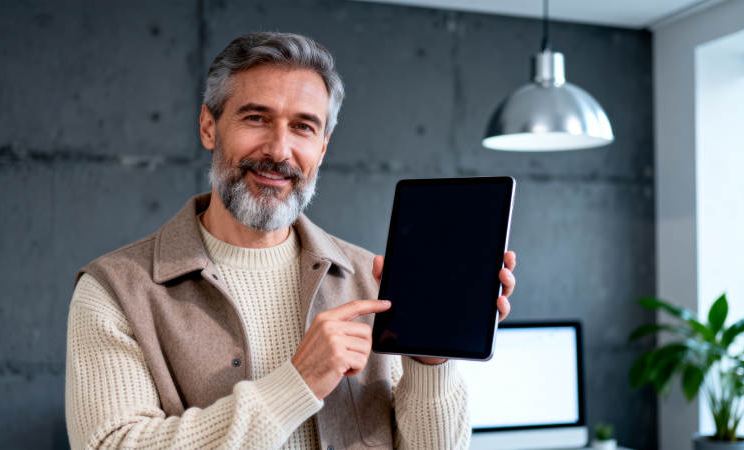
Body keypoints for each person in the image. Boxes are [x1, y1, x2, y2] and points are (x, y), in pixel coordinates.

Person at [65, 31, 516, 450]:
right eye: (256, 118)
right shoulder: (114, 291)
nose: (279, 150)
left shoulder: (372, 281)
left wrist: (431, 360)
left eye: (303, 127)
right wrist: (298, 382)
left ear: (323, 146)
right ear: (208, 126)